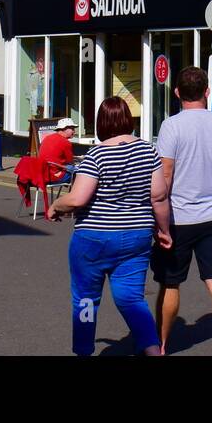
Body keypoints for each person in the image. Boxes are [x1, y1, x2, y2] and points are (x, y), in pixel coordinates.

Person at [47, 97, 172, 356]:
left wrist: (56, 204)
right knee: (131, 298)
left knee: (85, 299)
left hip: (94, 238)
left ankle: (83, 351)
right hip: (137, 236)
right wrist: (164, 230)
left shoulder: (97, 154)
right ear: (128, 119)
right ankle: (152, 349)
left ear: (101, 123)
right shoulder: (149, 151)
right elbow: (159, 197)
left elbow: (79, 198)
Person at [152, 65, 212, 356]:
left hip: (179, 216)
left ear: (177, 92)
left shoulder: (171, 126)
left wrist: (160, 219)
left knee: (170, 282)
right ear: (207, 92)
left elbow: (165, 175)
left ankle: (162, 344)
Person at [39, 117, 78, 184]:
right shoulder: (65, 142)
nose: (74, 131)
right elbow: (70, 161)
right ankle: (78, 193)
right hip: (55, 176)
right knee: (80, 170)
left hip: (43, 174)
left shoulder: (47, 138)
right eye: (72, 129)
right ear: (64, 129)